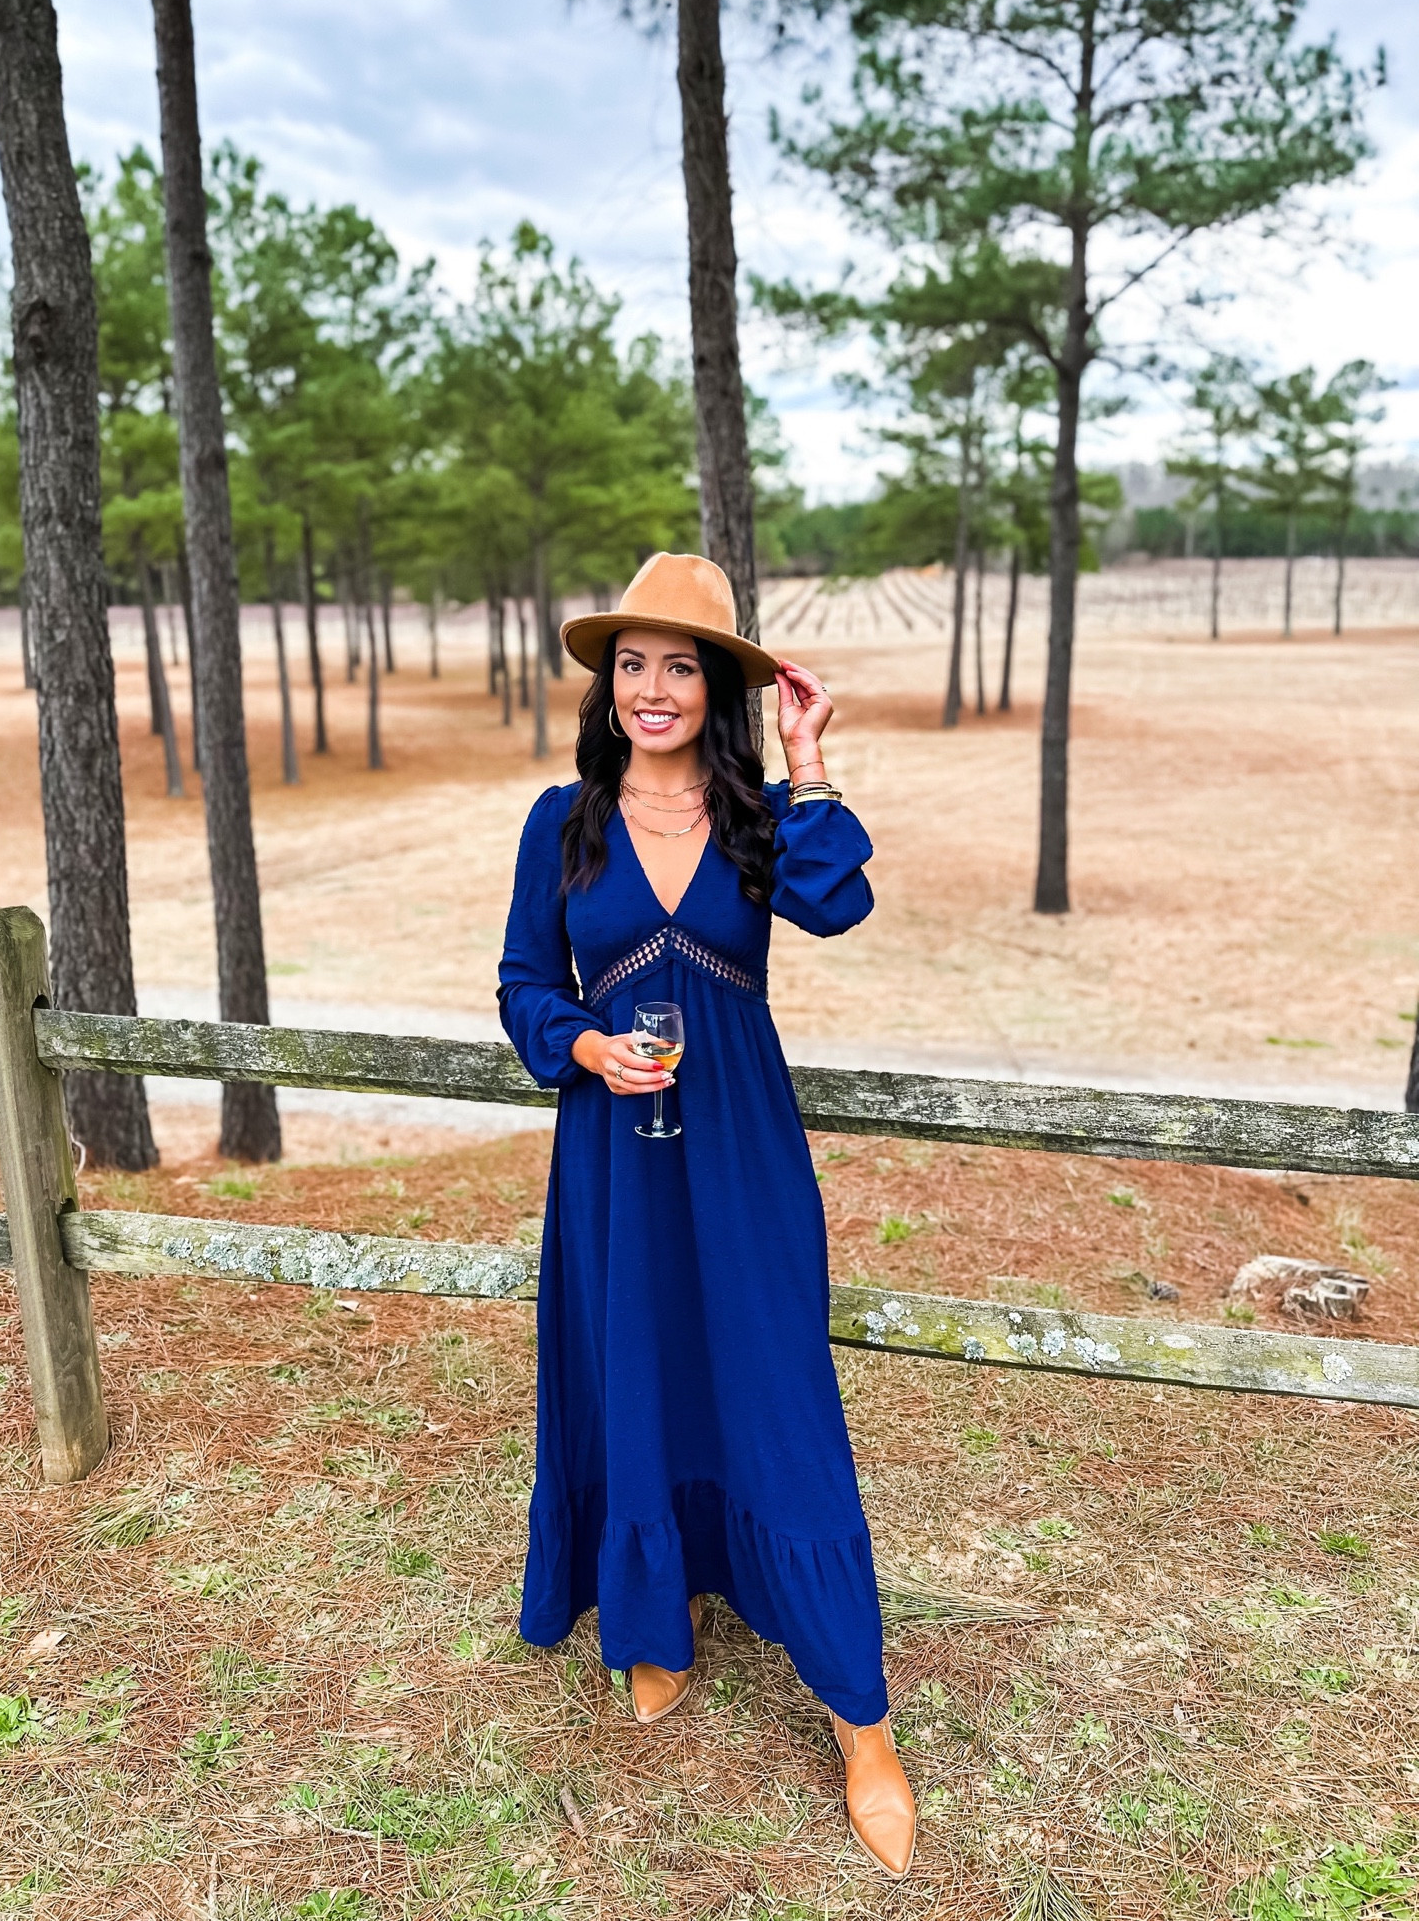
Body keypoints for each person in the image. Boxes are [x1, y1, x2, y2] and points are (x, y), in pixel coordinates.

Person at [497, 552, 916, 1880]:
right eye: (633, 663)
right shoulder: (560, 822)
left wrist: (810, 758)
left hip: (741, 1150)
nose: (653, 687)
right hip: (616, 1149)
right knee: (641, 1370)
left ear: (720, 687)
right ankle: (655, 1621)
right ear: (606, 682)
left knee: (777, 1395)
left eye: (682, 665)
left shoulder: (755, 817)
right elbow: (520, 984)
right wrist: (582, 1048)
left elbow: (838, 903)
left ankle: (863, 1724)